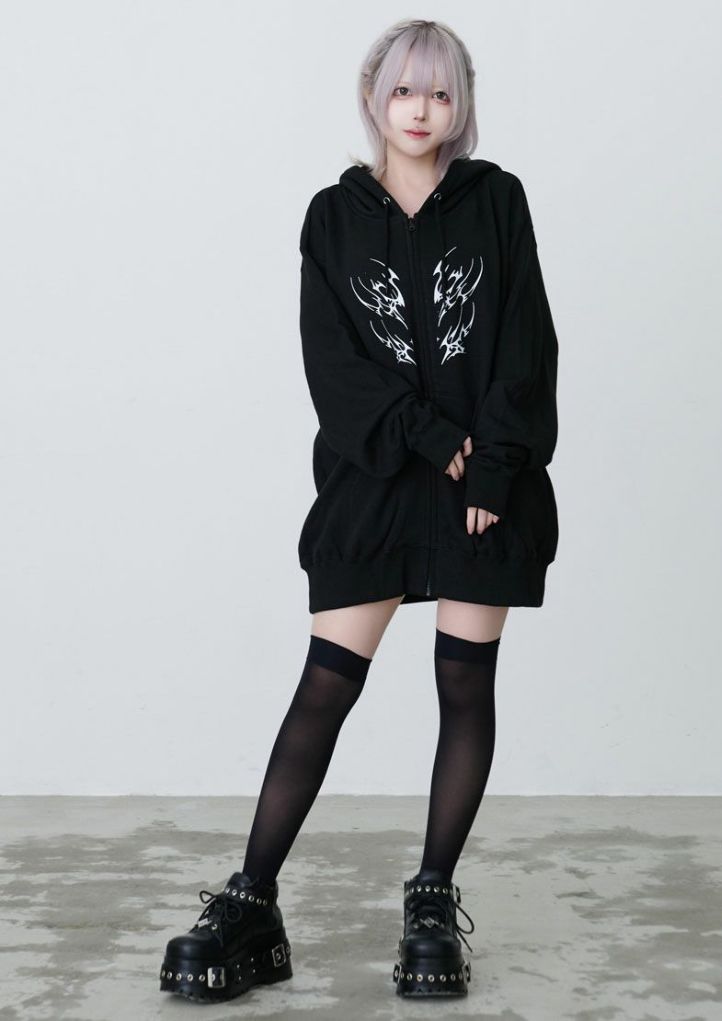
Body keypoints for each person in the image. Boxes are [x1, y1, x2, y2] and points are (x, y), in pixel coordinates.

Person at [159, 16, 559, 1004]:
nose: (420, 110)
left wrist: (493, 468)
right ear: (374, 97)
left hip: (480, 492)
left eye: (440, 92)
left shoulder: (496, 200)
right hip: (372, 483)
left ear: (460, 104)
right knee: (325, 686)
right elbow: (331, 365)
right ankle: (252, 898)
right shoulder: (332, 216)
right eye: (403, 90)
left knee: (464, 683)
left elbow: (525, 340)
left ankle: (431, 899)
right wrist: (427, 435)